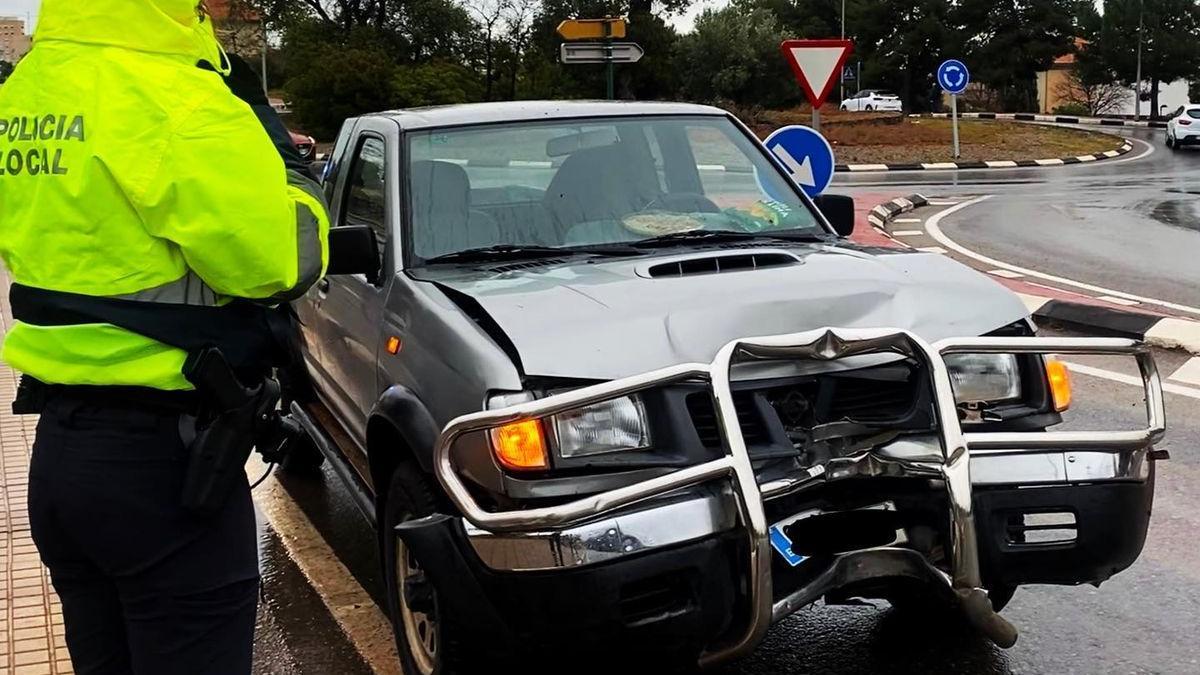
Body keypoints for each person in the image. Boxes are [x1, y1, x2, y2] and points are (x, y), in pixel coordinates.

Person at [0, 1, 329, 673]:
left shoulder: (26, 90)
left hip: (60, 459)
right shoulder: (175, 95)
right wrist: (295, 179)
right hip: (163, 474)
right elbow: (278, 261)